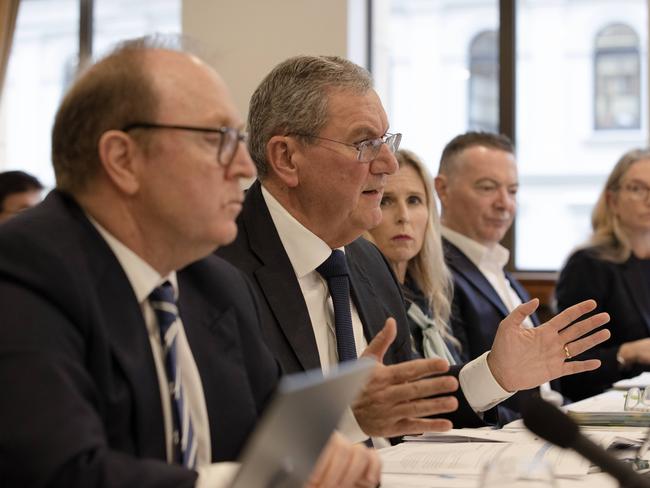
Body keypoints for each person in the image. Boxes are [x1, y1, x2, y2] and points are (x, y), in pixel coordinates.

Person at [0, 37, 380, 488]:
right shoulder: (22, 273)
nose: (243, 166)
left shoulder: (215, 283)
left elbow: (276, 440)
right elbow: (59, 474)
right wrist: (247, 482)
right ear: (123, 160)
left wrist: (325, 454)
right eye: (217, 138)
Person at [217, 55, 610, 441]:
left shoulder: (367, 260)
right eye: (365, 143)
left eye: (386, 142)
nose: (388, 163)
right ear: (286, 157)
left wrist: (496, 373)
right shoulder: (215, 267)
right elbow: (224, 442)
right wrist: (348, 420)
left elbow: (406, 404)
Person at [434, 131, 564, 419]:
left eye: (513, 191)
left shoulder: (500, 270)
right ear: (443, 189)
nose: (504, 203)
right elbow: (459, 389)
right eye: (487, 188)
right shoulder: (432, 270)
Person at [556, 148, 650, 401]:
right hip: (606, 409)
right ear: (613, 200)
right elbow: (568, 369)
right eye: (637, 188)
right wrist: (630, 352)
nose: (649, 199)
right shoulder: (587, 265)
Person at [366, 149, 460, 364]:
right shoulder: (359, 299)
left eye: (414, 200)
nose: (403, 217)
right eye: (385, 201)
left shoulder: (430, 296)